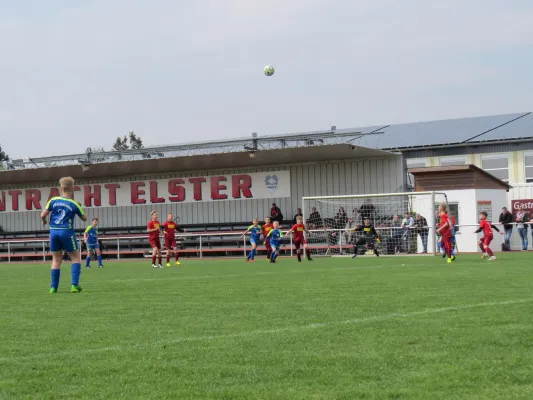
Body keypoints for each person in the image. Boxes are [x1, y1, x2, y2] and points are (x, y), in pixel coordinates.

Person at [41, 177, 87, 293]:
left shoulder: (53, 200)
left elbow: (43, 215)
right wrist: (79, 209)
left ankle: (53, 287)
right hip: (66, 231)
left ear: (61, 188)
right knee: (75, 257)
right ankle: (74, 285)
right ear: (72, 188)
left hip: (53, 232)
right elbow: (84, 218)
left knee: (56, 259)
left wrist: (44, 221)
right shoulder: (73, 203)